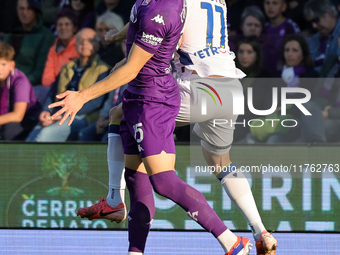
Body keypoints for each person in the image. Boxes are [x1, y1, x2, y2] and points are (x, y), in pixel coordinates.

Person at [48, 0, 254, 254]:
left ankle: (232, 243)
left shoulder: (163, 9)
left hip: (154, 101)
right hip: (137, 96)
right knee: (136, 178)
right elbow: (137, 24)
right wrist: (119, 34)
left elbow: (132, 68)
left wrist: (82, 96)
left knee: (165, 182)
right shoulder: (148, 3)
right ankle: (128, 233)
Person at [26, 28, 110, 142]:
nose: (84, 43)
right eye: (80, 40)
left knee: (44, 136)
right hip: (58, 113)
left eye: (90, 40)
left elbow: (96, 102)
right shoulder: (67, 67)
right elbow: (53, 94)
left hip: (83, 116)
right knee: (31, 137)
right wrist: (46, 111)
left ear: (97, 45)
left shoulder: (103, 69)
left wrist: (61, 114)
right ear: (75, 45)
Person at [246, 34, 318, 143]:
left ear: (303, 54)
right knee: (250, 139)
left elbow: (307, 103)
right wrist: (270, 110)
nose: (290, 54)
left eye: (294, 50)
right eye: (287, 50)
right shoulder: (277, 75)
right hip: (275, 118)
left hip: (297, 119)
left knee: (274, 140)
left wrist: (281, 110)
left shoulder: (311, 75)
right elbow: (268, 100)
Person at [3, 0, 54, 86]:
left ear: (35, 11)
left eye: (29, 8)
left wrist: (19, 84)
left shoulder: (46, 36)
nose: (25, 12)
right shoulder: (11, 34)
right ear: (17, 10)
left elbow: (40, 71)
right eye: (21, 9)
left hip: (28, 87)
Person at [0, 42, 41, 140]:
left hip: (27, 121)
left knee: (9, 130)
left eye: (3, 64)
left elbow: (18, 115)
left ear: (12, 65)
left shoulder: (20, 81)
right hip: (5, 118)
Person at [233, 36, 271, 143]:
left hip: (251, 120)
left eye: (249, 52)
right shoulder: (231, 75)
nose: (244, 56)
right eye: (241, 52)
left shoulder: (263, 76)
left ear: (256, 55)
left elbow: (257, 103)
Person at [42, 8, 79, 87]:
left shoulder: (80, 46)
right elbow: (46, 78)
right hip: (55, 89)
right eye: (60, 25)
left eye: (67, 24)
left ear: (74, 28)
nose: (63, 28)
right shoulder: (53, 49)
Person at [262, 0, 300, 73]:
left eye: (275, 3)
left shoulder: (290, 27)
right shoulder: (263, 28)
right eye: (267, 3)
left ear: (284, 6)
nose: (270, 7)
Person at [303, 0, 340, 74]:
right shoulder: (314, 39)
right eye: (311, 22)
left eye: (316, 20)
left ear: (330, 13)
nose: (314, 26)